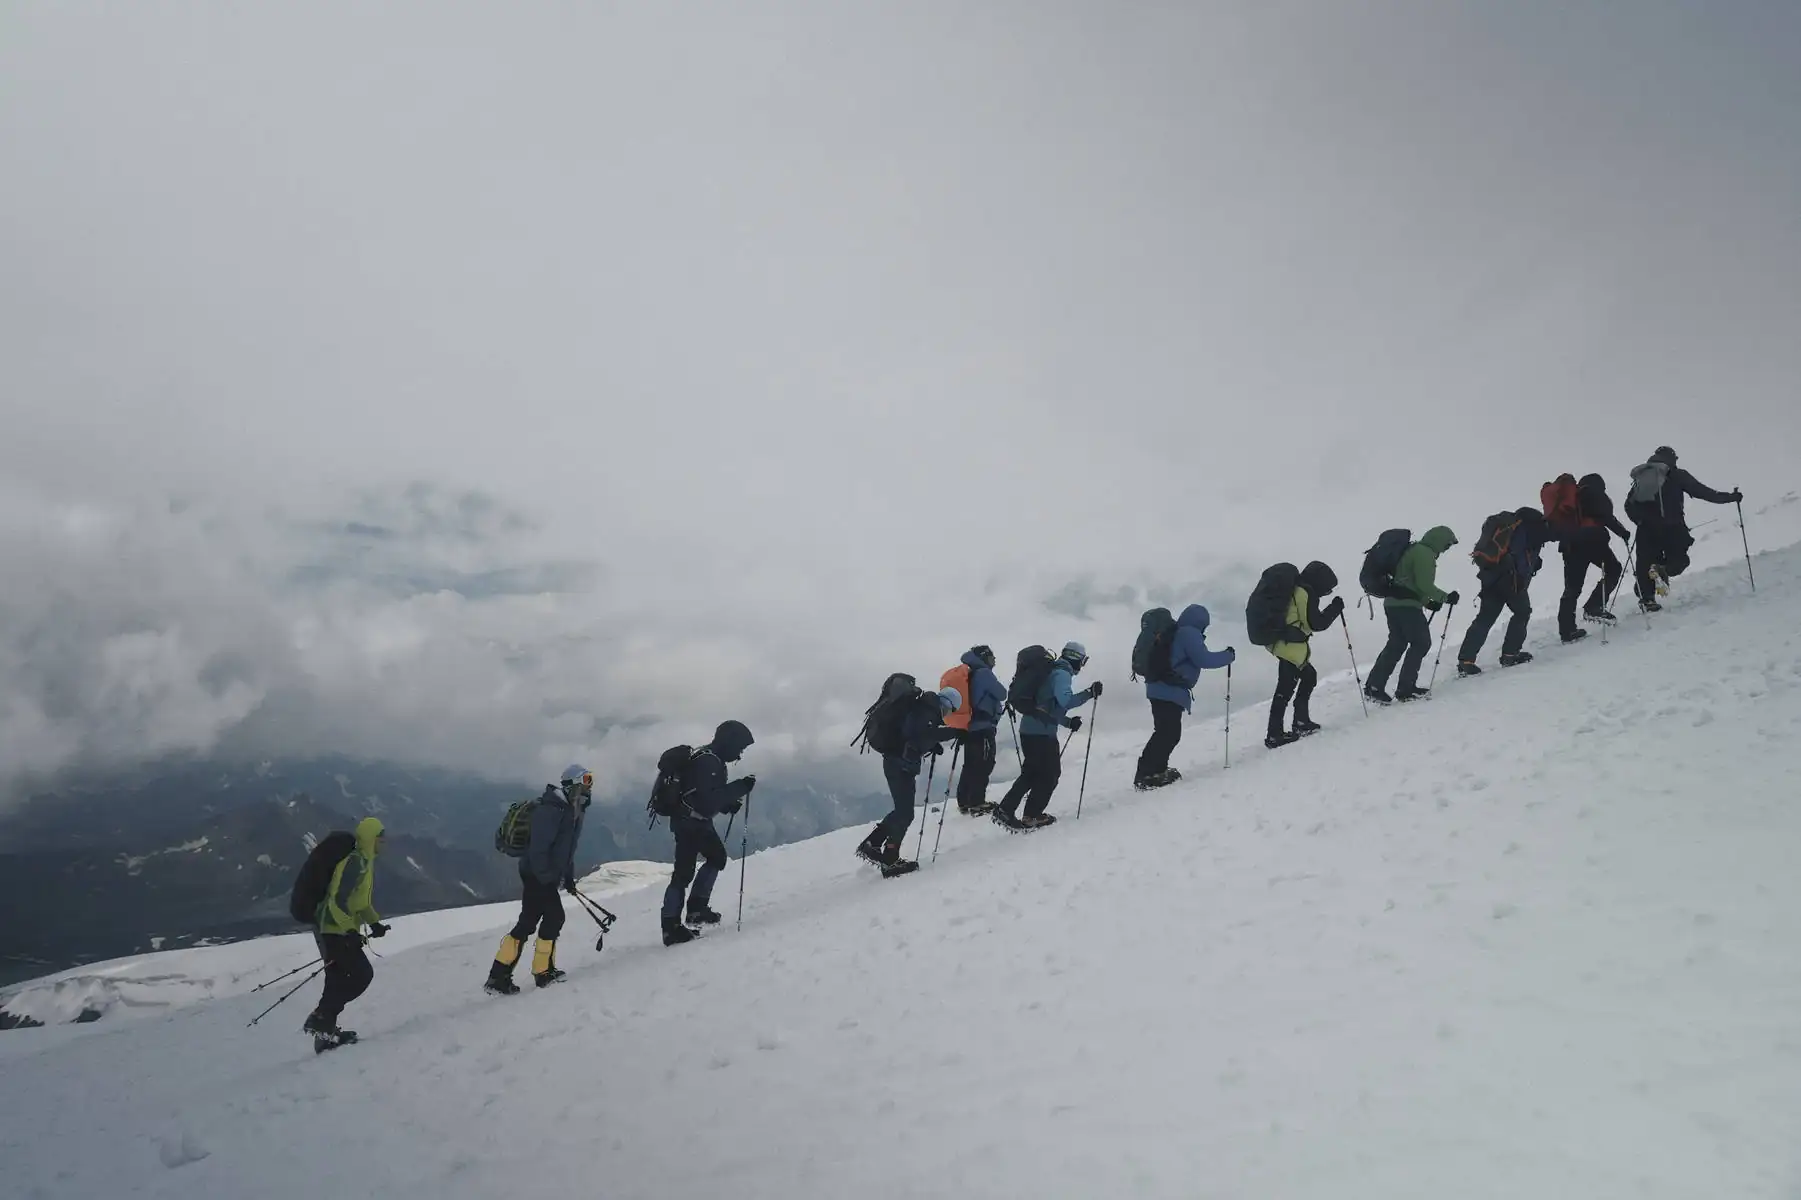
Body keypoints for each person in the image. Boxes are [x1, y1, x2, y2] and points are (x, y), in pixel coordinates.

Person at [485, 765, 591, 994]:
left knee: (528, 922)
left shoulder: (571, 811)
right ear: (571, 785)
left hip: (542, 873)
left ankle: (498, 975)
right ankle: (542, 973)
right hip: (537, 873)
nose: (587, 789)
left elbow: (566, 850)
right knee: (554, 917)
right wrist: (548, 878)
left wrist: (568, 878)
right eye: (584, 783)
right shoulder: (551, 811)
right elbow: (538, 851)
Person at [662, 720, 756, 944]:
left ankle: (691, 912)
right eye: (739, 748)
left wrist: (726, 804)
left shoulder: (707, 757)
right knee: (686, 872)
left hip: (692, 821)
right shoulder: (709, 762)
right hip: (690, 823)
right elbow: (706, 800)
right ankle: (673, 925)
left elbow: (701, 794)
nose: (739, 755)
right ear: (729, 742)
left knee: (713, 859)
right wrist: (740, 787)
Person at [302, 816, 388, 1049]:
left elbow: (358, 903)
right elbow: (337, 901)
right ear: (371, 838)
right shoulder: (355, 864)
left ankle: (324, 1035)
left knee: (337, 979)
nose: (384, 842)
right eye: (381, 838)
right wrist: (349, 930)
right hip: (333, 929)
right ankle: (321, 1017)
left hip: (336, 929)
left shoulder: (364, 861)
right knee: (362, 975)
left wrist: (374, 923)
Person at [1622, 446, 1742, 612]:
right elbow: (1703, 492)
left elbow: (1628, 505)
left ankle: (1647, 598)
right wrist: (1730, 497)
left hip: (1646, 529)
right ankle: (1662, 570)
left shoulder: (1642, 477)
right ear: (1672, 459)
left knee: (1646, 561)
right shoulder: (1677, 475)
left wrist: (1641, 521)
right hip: (1673, 526)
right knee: (1679, 561)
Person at [857, 687, 960, 874]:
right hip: (899, 766)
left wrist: (933, 744)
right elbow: (921, 734)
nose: (948, 714)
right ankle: (889, 858)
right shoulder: (928, 710)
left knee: (902, 810)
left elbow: (916, 735)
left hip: (896, 763)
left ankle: (873, 844)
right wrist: (953, 733)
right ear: (945, 703)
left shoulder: (923, 709)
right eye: (950, 709)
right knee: (905, 813)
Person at [995, 642, 1097, 829]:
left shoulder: (1051, 672)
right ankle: (1029, 815)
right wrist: (1089, 693)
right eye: (1083, 661)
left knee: (1032, 773)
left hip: (1032, 730)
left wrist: (1067, 722)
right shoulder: (1062, 674)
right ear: (1076, 658)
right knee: (1049, 775)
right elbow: (1066, 701)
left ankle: (1009, 810)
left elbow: (1046, 708)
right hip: (1041, 734)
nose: (1082, 666)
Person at [1135, 605, 1234, 789]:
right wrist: (1227, 656)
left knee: (1167, 732)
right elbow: (1204, 659)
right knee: (1167, 733)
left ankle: (1156, 771)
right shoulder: (1189, 633)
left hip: (1160, 688)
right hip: (1168, 690)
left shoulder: (1177, 632)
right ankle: (1147, 774)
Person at [1364, 528, 1459, 704]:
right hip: (1406, 607)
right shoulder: (1424, 553)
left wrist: (1427, 603)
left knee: (1396, 644)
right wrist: (1445, 598)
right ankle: (1405, 689)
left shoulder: (1414, 550)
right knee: (1421, 642)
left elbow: (1409, 582)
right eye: (1447, 545)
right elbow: (1424, 584)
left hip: (1393, 603)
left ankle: (1374, 686)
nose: (1446, 549)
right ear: (1439, 540)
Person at [1457, 508, 1554, 674]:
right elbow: (1520, 554)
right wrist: (1524, 575)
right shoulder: (1524, 529)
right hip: (1510, 578)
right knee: (1522, 612)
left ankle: (1466, 660)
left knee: (1485, 618)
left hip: (1490, 577)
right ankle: (1510, 654)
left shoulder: (1504, 527)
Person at [1266, 562, 1344, 748]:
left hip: (1285, 644)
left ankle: (1297, 723)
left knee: (1307, 677)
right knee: (1285, 690)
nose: (1326, 593)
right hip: (1290, 646)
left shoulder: (1297, 590)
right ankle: (1277, 733)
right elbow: (1315, 623)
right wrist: (1334, 608)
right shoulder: (1304, 593)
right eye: (1327, 589)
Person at [1558, 473, 1632, 638]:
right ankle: (1594, 606)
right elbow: (1606, 517)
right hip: (1591, 539)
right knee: (1614, 569)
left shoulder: (1570, 499)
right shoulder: (1593, 493)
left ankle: (1567, 630)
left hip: (1570, 544)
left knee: (1572, 588)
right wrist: (1623, 533)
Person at [942, 646, 1006, 816]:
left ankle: (964, 801)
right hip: (983, 726)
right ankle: (977, 802)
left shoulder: (969, 673)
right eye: (992, 658)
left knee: (970, 763)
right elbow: (1002, 693)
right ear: (985, 658)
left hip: (968, 725)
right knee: (984, 763)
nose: (993, 661)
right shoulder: (984, 673)